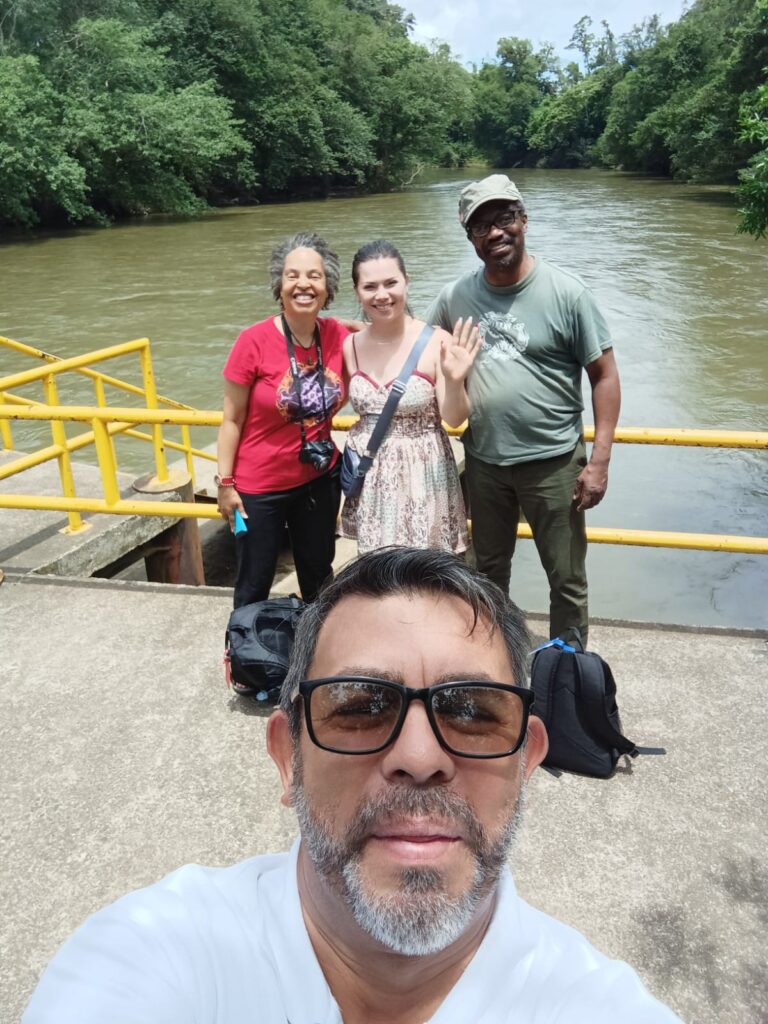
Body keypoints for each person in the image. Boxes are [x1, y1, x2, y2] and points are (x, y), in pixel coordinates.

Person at [23, 547, 681, 1023]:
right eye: (360, 707)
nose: (420, 757)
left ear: (527, 759)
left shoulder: (594, 1003)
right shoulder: (159, 955)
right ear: (288, 758)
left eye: (475, 710)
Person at [426, 175, 621, 645]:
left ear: (524, 220)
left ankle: (567, 672)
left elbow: (605, 376)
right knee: (488, 573)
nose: (495, 233)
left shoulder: (566, 293)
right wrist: (356, 333)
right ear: (470, 237)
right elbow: (414, 343)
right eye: (481, 227)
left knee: (567, 578)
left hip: (554, 464)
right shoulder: (455, 297)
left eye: (504, 219)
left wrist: (600, 461)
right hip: (486, 465)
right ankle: (496, 663)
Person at [216, 231, 347, 610]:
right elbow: (231, 421)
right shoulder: (252, 341)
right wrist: (225, 484)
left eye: (314, 276)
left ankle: (317, 656)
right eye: (292, 276)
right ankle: (243, 660)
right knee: (254, 579)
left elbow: (388, 332)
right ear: (279, 285)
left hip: (320, 481)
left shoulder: (339, 335)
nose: (303, 284)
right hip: (260, 487)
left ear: (327, 287)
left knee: (319, 576)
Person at [339, 240, 480, 554]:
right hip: (373, 477)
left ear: (407, 282)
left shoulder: (436, 341)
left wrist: (455, 381)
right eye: (370, 286)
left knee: (430, 576)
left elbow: (455, 417)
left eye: (391, 283)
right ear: (357, 291)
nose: (382, 295)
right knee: (380, 576)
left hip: (425, 473)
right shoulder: (350, 346)